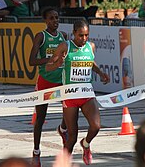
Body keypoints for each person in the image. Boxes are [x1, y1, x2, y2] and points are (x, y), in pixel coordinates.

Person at [45, 20, 110, 165]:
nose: (84, 39)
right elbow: (48, 67)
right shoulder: (65, 46)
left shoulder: (90, 46)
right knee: (72, 137)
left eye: (87, 35)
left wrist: (100, 73)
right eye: (81, 35)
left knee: (96, 126)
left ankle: (86, 144)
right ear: (74, 33)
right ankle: (63, 162)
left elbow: (91, 62)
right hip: (70, 96)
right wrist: (57, 64)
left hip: (86, 94)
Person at [29, 7, 68, 167]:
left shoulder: (63, 36)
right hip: (45, 81)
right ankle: (36, 152)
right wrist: (50, 60)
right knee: (40, 118)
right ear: (45, 21)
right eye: (51, 18)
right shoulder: (41, 36)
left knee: (70, 112)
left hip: (61, 80)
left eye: (57, 18)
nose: (55, 21)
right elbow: (31, 61)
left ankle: (63, 129)